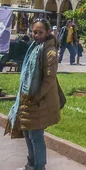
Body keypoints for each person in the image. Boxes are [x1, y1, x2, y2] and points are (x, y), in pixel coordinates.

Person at [5, 18, 65, 170]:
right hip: (26, 98)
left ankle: (39, 166)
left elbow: (49, 79)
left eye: (40, 32)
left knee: (36, 136)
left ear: (48, 32)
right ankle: (30, 164)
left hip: (39, 101)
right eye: (34, 31)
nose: (36, 35)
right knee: (27, 133)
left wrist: (36, 96)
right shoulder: (34, 47)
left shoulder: (49, 52)